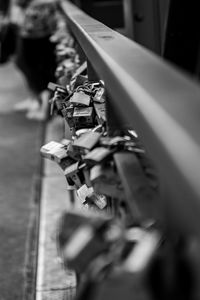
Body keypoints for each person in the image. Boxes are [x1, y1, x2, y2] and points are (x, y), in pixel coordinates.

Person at [13, 0, 58, 120]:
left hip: (36, 28)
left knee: (39, 68)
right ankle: (38, 102)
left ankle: (44, 107)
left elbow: (19, 2)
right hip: (38, 25)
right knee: (36, 66)